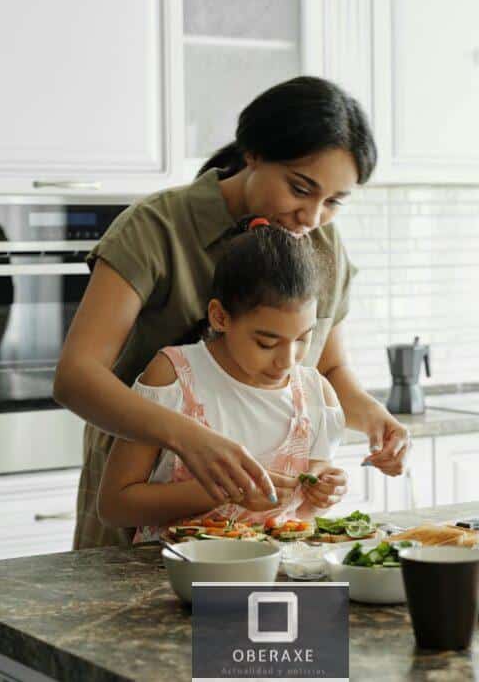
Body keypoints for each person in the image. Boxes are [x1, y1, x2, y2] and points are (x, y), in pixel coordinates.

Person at [54, 76, 412, 549]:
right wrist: (189, 438)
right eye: (300, 188)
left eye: (333, 202)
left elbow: (327, 369)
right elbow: (76, 377)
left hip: (263, 535)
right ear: (254, 153)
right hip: (141, 517)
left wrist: (374, 419)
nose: (312, 216)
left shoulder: (321, 243)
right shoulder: (155, 228)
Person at [98, 220, 347, 542]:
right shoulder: (174, 376)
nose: (288, 360)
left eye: (303, 338)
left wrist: (324, 493)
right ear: (220, 317)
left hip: (275, 575)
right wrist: (223, 491)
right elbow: (115, 506)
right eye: (267, 343)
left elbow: (305, 514)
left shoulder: (316, 394)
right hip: (172, 576)